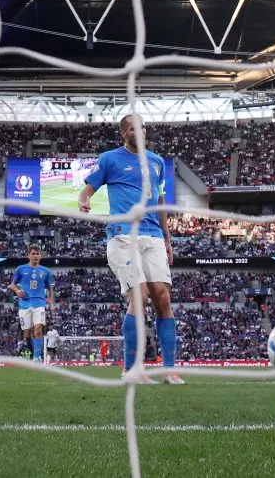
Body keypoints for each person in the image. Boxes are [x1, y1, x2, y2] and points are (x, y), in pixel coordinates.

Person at [79, 114, 184, 385]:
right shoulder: (110, 159)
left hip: (153, 236)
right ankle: (131, 369)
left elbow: (160, 202)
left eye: (144, 127)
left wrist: (167, 239)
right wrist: (84, 200)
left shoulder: (157, 162)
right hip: (123, 234)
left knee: (163, 297)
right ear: (124, 133)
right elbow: (88, 189)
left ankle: (169, 370)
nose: (141, 131)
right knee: (140, 295)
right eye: (134, 128)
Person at [7, 245, 54, 363]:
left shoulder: (46, 271)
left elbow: (50, 289)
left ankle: (37, 358)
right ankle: (34, 353)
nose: (35, 256)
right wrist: (17, 291)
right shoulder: (21, 269)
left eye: (37, 254)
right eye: (33, 254)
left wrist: (51, 304)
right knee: (27, 334)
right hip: (24, 305)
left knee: (38, 330)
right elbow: (12, 285)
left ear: (40, 256)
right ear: (28, 255)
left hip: (39, 304)